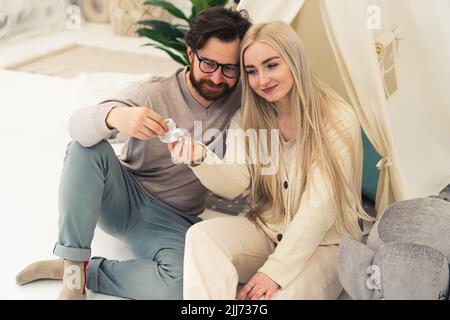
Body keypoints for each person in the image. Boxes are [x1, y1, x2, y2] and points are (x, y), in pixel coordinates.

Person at [15, 7, 252, 300]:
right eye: (208, 64)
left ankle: (83, 272)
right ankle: (73, 272)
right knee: (86, 148)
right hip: (123, 196)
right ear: (190, 54)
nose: (217, 77)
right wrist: (115, 117)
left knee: (181, 286)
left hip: (174, 219)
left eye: (229, 68)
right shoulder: (151, 92)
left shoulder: (243, 103)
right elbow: (76, 127)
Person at [169, 21, 374, 300]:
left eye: (271, 65)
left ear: (294, 60)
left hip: (325, 246)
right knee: (201, 236)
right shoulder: (250, 118)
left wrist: (273, 273)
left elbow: (318, 209)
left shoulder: (337, 119)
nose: (262, 80)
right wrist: (200, 158)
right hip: (266, 231)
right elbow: (235, 184)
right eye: (252, 71)